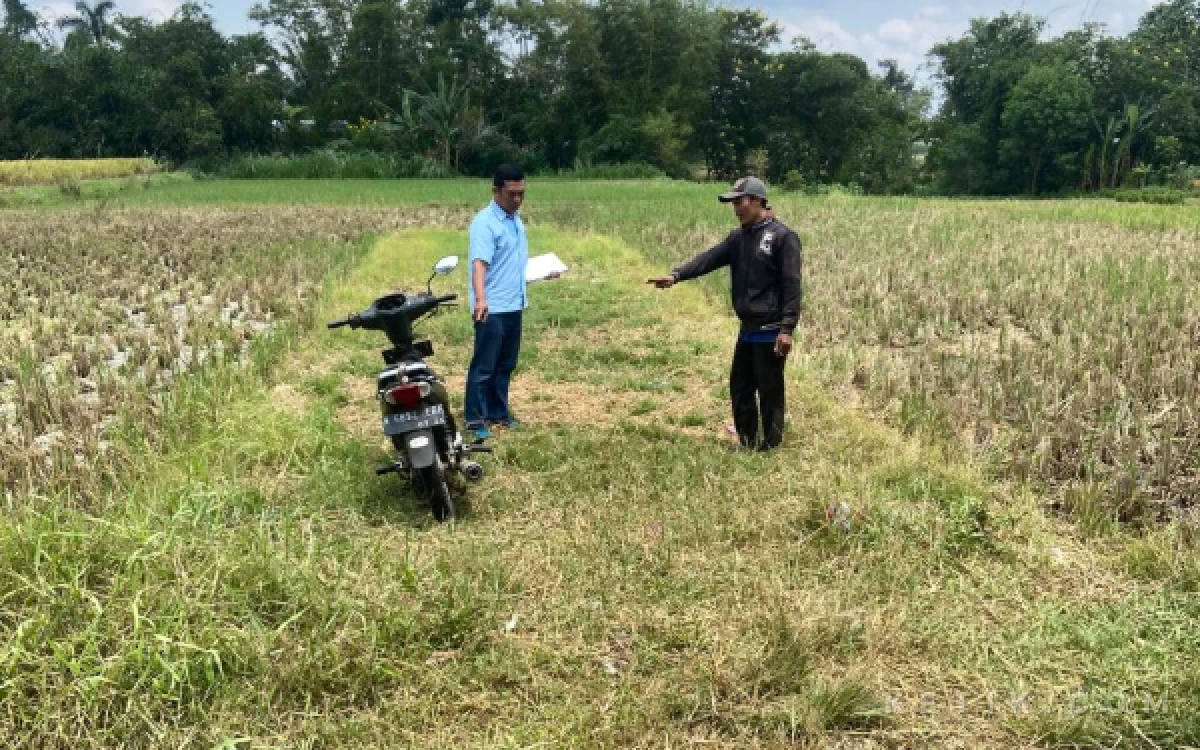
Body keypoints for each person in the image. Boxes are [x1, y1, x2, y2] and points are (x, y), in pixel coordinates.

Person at [648, 176, 803, 451]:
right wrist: (677, 275)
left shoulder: (783, 237)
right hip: (747, 328)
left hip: (771, 329)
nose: (735, 208)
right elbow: (709, 259)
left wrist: (787, 328)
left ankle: (772, 444)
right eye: (733, 202)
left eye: (739, 201)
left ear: (757, 201)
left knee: (769, 389)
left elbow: (792, 285)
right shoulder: (738, 238)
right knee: (740, 386)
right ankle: (748, 440)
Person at [464, 164, 529, 442]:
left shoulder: (515, 220)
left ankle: (498, 412)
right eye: (511, 194)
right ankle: (474, 418)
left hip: (514, 304)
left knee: (505, 364)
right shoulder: (485, 223)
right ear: (496, 191)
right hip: (492, 308)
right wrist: (480, 300)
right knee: (484, 367)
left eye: (521, 194)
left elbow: (510, 264)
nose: (517, 200)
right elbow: (480, 263)